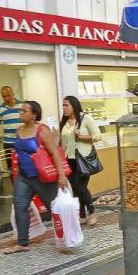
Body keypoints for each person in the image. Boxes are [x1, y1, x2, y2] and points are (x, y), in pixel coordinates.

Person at [7, 101, 68, 254]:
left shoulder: (42, 130)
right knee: (20, 206)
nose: (21, 113)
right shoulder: (19, 130)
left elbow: (54, 152)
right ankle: (22, 242)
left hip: (42, 177)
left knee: (54, 207)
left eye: (24, 111)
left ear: (34, 115)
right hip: (23, 176)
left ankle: (67, 236)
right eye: (20, 111)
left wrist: (61, 175)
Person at [60, 96, 102, 226]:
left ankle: (92, 212)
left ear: (74, 105)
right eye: (63, 105)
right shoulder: (65, 121)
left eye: (66, 105)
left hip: (83, 159)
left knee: (80, 187)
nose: (64, 108)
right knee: (75, 188)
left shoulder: (85, 118)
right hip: (69, 159)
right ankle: (82, 216)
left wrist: (82, 136)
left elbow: (98, 136)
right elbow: (64, 142)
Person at [0, 86, 23, 153]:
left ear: (13, 94)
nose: (7, 98)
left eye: (9, 95)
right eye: (4, 96)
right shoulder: (0, 109)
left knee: (25, 162)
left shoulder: (23, 105)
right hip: (8, 143)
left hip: (22, 141)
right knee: (11, 163)